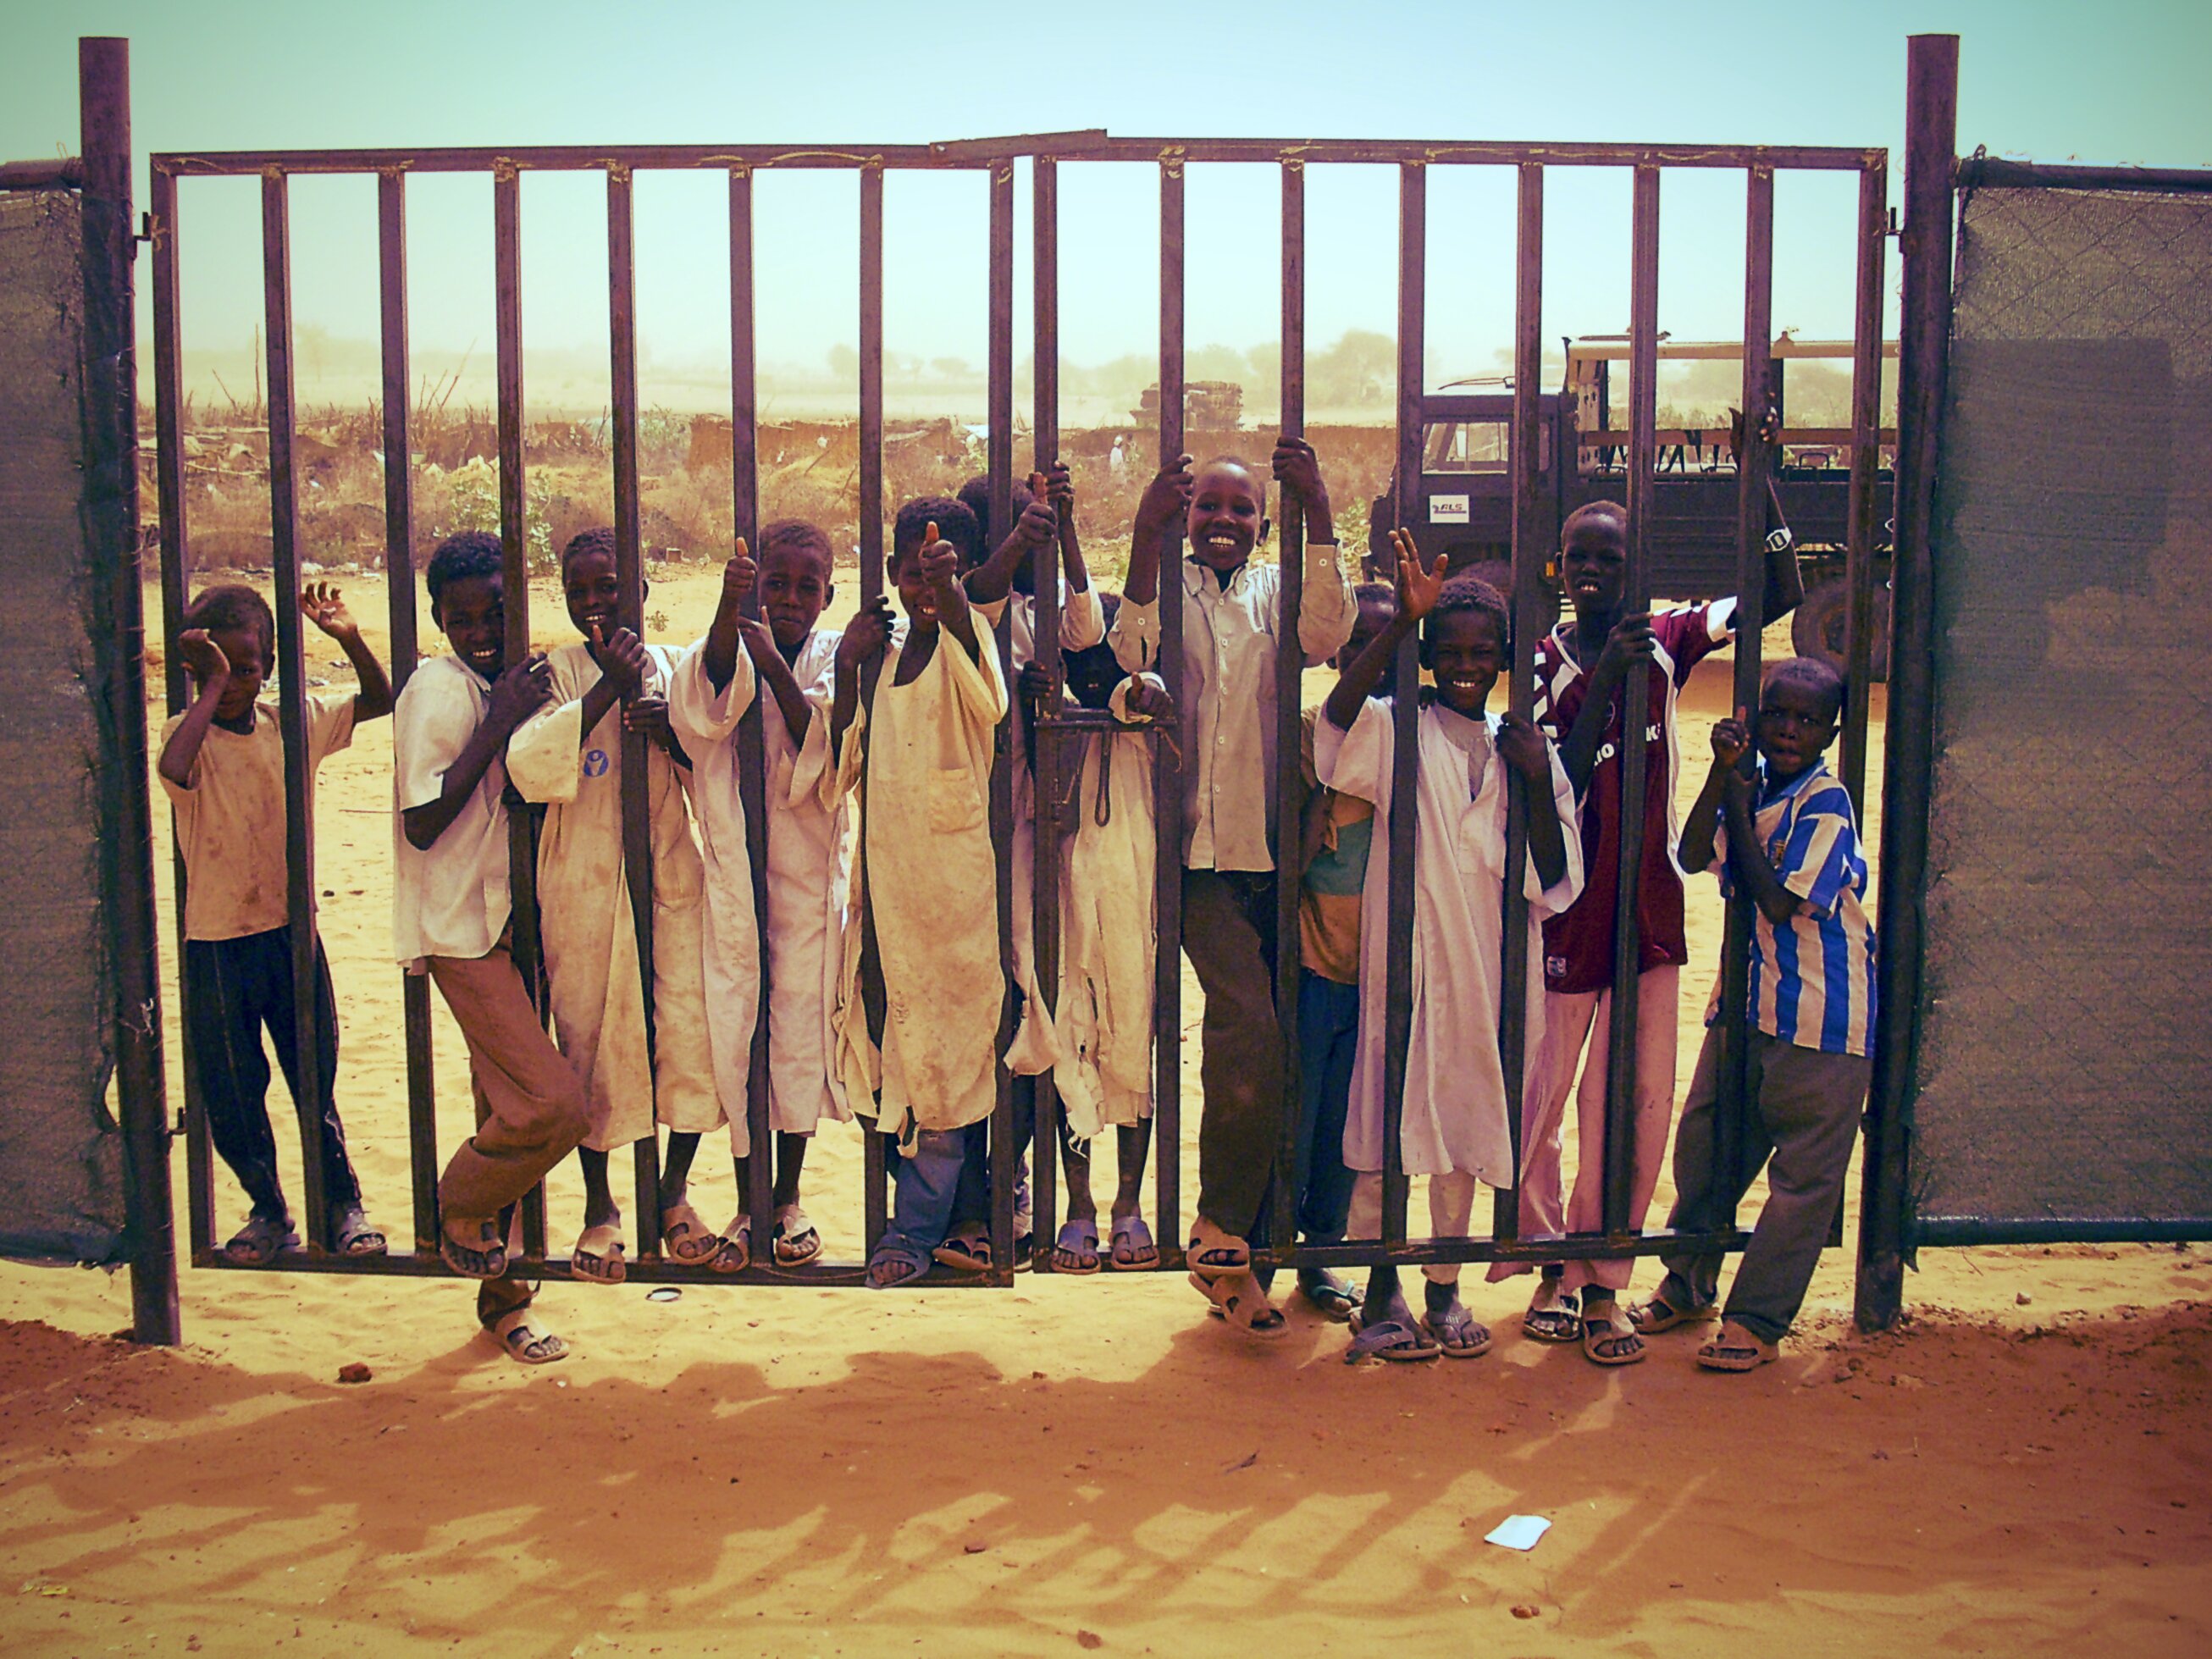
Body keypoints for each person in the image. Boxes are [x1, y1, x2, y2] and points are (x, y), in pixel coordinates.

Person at [1496, 492, 1802, 1366]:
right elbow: (1549, 776)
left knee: (1630, 1099)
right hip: (1563, 906)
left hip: (1646, 907)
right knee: (1542, 1097)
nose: (1591, 572)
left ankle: (1602, 1278)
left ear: (1637, 571)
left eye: (1609, 559)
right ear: (1558, 566)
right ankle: (1547, 1258)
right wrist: (1604, 683)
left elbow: (1776, 592)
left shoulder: (1670, 638)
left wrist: (1760, 479)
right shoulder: (1543, 660)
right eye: (1577, 558)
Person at [1318, 534, 1582, 1361]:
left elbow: (1553, 871)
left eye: (1481, 653)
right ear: (1430, 657)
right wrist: (1401, 623)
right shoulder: (1398, 730)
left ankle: (1442, 1288)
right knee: (1391, 1123)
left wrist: (1535, 777)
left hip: (1490, 975)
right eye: (1450, 652)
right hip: (1408, 966)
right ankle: (1382, 1289)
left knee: (1467, 1126)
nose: (1466, 665)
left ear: (1503, 659)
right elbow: (1331, 728)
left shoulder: (1522, 747)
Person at [1109, 439, 1353, 1334]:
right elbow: (1126, 648)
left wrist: (1317, 507)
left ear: (1261, 521)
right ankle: (1217, 1224)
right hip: (1194, 859)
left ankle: (1250, 1255)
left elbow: (1328, 635)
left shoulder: (1276, 590)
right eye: (1205, 507)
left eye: (1239, 510)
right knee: (1246, 1021)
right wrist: (1143, 532)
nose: (1221, 523)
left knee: (1283, 1045)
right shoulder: (1164, 588)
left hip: (1273, 847)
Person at [1634, 659, 1874, 1371]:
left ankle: (1757, 1319)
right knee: (1709, 1145)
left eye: (1806, 720)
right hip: (1749, 1006)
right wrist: (1722, 774)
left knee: (1802, 1178)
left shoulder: (1825, 804)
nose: (1789, 730)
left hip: (1825, 1019)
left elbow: (1775, 900)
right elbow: (1687, 851)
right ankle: (1687, 1281)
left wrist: (1737, 804)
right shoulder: (1760, 783)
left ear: (1831, 731)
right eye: (1777, 715)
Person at [505, 528, 724, 1285]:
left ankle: (672, 1194)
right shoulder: (556, 674)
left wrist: (666, 727)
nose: (596, 603)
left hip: (667, 877)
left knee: (685, 1032)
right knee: (591, 1040)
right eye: (581, 591)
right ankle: (602, 1208)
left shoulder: (673, 669)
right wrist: (606, 688)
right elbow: (529, 767)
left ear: (645, 589)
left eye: (611, 587)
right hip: (583, 884)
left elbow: (720, 763)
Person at [394, 531, 589, 1365]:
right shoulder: (438, 690)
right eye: (460, 617)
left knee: (503, 1110)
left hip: (516, 918)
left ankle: (504, 1302)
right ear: (437, 620)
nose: (480, 629)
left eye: (496, 612)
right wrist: (501, 720)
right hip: (459, 931)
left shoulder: (516, 675)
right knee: (552, 1107)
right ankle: (455, 1205)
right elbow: (423, 820)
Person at [158, 581, 393, 1264]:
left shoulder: (293, 723)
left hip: (289, 935)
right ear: (192, 671)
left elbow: (378, 702)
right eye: (213, 668)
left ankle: (341, 1204)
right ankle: (267, 1208)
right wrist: (212, 688)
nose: (232, 682)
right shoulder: (187, 733)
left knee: (311, 1077)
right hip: (216, 942)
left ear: (271, 664)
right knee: (231, 1092)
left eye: (248, 666)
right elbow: (174, 768)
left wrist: (348, 637)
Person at [832, 500, 1009, 1289]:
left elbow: (992, 702)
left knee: (945, 1058)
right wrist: (845, 668)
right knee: (887, 1050)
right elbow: (838, 765)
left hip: (950, 898)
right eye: (912, 562)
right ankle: (903, 1218)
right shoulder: (880, 655)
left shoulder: (969, 644)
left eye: (943, 562)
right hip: (884, 895)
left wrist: (959, 604)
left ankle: (914, 1229)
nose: (924, 574)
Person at [668, 520, 854, 1269]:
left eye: (807, 587)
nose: (789, 598)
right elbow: (707, 698)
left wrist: (777, 664)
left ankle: (789, 1194)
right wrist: (730, 611)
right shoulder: (726, 642)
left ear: (828, 595)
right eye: (774, 583)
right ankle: (749, 1198)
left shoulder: (838, 654)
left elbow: (832, 741)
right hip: (736, 881)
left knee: (801, 1034)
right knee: (741, 1028)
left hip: (809, 881)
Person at [954, 466, 1105, 1267]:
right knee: (986, 1001)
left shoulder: (1034, 610)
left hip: (1034, 825)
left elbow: (1085, 628)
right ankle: (982, 1183)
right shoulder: (974, 601)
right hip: (967, 828)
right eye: (1009, 529)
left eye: (1033, 529)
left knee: (1039, 990)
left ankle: (1015, 1177)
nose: (1027, 543)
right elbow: (979, 601)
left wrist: (1068, 527)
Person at [1024, 595, 1174, 1273]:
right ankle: (1079, 1206)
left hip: (1132, 905)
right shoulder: (1055, 729)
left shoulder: (1146, 721)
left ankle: (1129, 1205)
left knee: (1132, 1040)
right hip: (1063, 904)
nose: (1095, 681)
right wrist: (1047, 718)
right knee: (1069, 1041)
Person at [1278, 581, 1397, 1320]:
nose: (1374, 662)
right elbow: (1285, 848)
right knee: (1297, 1113)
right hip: (1315, 962)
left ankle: (1320, 1256)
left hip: (1381, 971)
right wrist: (1314, 805)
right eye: (1360, 646)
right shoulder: (1307, 731)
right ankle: (1263, 1250)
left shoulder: (1420, 735)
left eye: (1390, 646)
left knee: (1346, 1129)